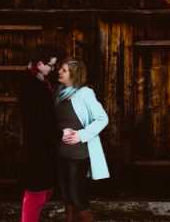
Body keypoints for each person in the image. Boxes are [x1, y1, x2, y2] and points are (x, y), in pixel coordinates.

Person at [55, 58, 109, 222]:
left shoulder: (85, 93)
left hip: (78, 154)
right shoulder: (59, 92)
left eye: (64, 70)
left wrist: (81, 135)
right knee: (65, 195)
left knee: (77, 195)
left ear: (74, 74)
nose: (59, 72)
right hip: (60, 152)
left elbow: (102, 118)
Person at [17, 44, 62, 222]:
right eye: (51, 65)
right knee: (35, 192)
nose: (53, 69)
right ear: (41, 63)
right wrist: (57, 134)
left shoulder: (39, 79)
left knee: (45, 189)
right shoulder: (30, 83)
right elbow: (36, 119)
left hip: (43, 144)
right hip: (37, 146)